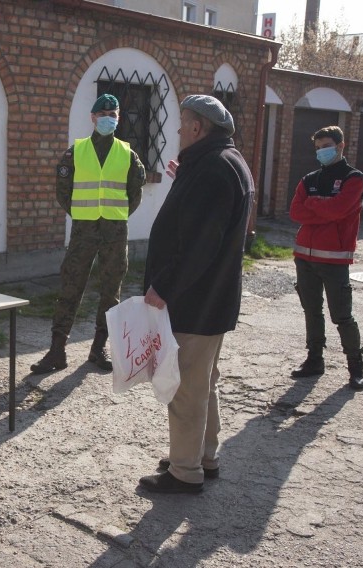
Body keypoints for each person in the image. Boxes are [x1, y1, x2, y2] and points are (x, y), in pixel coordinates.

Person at [138, 95, 254, 494]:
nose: (176, 130)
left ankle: (185, 472)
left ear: (197, 128)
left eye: (181, 122)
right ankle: (205, 455)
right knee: (204, 381)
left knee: (186, 387)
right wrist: (183, 178)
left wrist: (163, 287)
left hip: (195, 299)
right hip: (211, 298)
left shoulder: (213, 168)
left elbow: (200, 243)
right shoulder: (220, 161)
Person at [30, 94, 146, 374]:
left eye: (114, 114)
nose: (108, 118)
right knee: (71, 286)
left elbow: (135, 194)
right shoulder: (76, 151)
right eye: (103, 113)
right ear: (93, 117)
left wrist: (114, 216)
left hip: (115, 232)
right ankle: (57, 351)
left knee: (111, 292)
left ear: (118, 119)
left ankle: (98, 348)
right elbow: (63, 191)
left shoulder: (127, 154)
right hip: (84, 230)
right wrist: (82, 214)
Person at [288, 125, 363, 391]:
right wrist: (322, 208)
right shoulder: (308, 179)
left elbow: (340, 209)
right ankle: (314, 360)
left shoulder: (353, 178)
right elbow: (296, 212)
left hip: (335, 259)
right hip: (304, 257)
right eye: (319, 147)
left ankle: (356, 366)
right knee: (311, 310)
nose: (322, 151)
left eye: (327, 146)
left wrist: (314, 205)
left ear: (341, 146)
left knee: (341, 315)